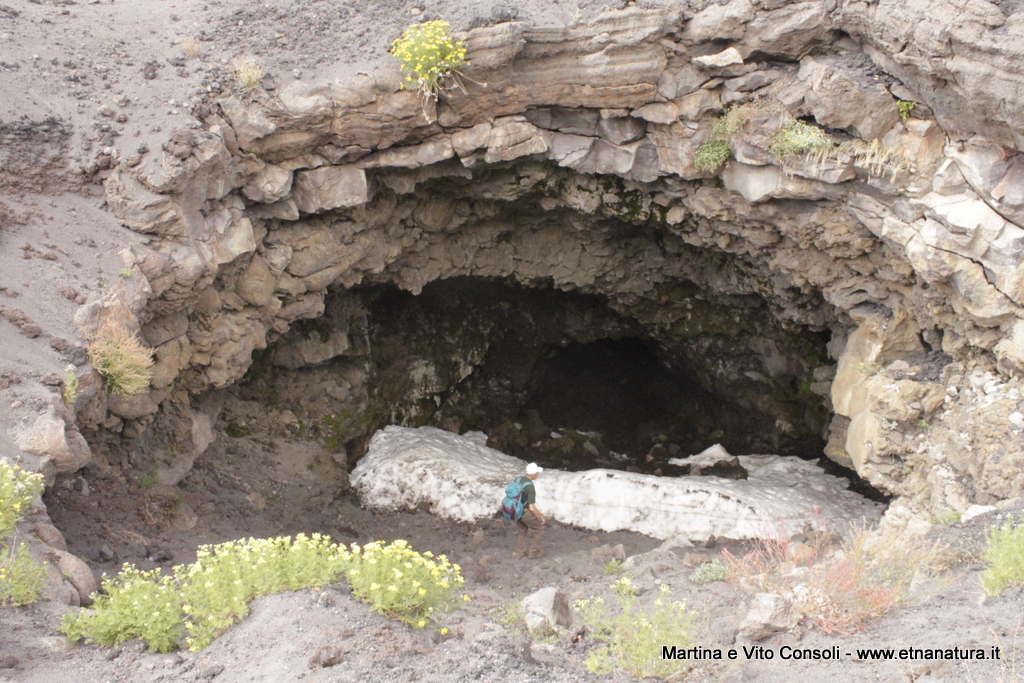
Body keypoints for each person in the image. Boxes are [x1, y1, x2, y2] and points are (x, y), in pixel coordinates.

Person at [515, 462, 546, 559]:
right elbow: (532, 507)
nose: (537, 474)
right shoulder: (530, 487)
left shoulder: (518, 479)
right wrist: (541, 516)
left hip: (516, 510)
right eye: (536, 473)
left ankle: (520, 553)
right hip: (525, 512)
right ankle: (534, 552)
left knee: (522, 531)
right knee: (539, 529)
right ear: (533, 474)